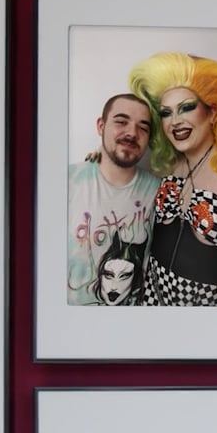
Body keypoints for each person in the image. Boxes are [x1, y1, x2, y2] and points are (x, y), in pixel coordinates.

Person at [128, 52, 217, 307]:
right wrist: (102, 156)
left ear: (212, 112)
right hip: (150, 314)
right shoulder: (170, 165)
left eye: (186, 108)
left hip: (207, 327)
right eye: (166, 113)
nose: (175, 121)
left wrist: (212, 336)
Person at [67, 93, 160, 305]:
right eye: (121, 122)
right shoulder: (68, 181)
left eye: (143, 127)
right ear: (101, 126)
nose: (132, 133)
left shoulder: (158, 191)